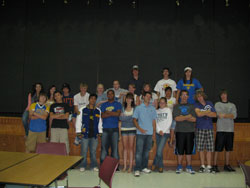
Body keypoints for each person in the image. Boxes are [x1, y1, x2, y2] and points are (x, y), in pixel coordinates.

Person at [75, 94, 103, 172]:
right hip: (85, 134)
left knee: (93, 151)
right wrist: (78, 132)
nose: (93, 100)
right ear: (89, 99)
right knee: (83, 151)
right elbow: (78, 121)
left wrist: (100, 132)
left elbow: (100, 122)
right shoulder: (82, 109)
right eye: (91, 99)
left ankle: (93, 165)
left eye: (94, 99)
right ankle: (83, 165)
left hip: (94, 134)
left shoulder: (98, 110)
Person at [133, 92, 157, 177]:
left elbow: (154, 121)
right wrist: (140, 129)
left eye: (150, 97)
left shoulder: (153, 108)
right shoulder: (138, 108)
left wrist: (154, 133)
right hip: (140, 133)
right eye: (147, 96)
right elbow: (134, 120)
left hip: (150, 134)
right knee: (139, 152)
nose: (148, 98)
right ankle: (137, 169)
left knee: (146, 152)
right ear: (143, 97)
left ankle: (144, 167)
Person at [173, 90, 196, 174]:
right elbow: (176, 118)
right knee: (180, 149)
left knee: (189, 150)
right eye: (182, 95)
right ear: (180, 96)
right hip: (180, 131)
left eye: (186, 95)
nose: (184, 96)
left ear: (188, 97)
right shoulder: (176, 106)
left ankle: (189, 166)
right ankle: (179, 166)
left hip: (190, 131)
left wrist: (183, 117)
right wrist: (188, 116)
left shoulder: (191, 106)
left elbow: (194, 119)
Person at [213, 89, 237, 172]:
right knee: (217, 148)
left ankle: (227, 165)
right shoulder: (217, 104)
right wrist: (228, 115)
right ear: (220, 96)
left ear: (227, 95)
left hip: (230, 130)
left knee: (228, 149)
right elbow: (219, 115)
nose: (223, 96)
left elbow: (234, 116)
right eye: (222, 94)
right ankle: (215, 165)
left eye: (225, 94)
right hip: (221, 129)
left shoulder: (232, 105)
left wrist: (224, 115)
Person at [194, 90, 217, 173]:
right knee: (200, 148)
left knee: (209, 148)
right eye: (198, 97)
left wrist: (203, 112)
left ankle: (209, 166)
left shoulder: (209, 103)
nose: (199, 98)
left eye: (200, 96)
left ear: (203, 96)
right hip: (200, 128)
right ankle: (202, 166)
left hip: (209, 128)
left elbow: (214, 115)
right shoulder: (196, 104)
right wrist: (208, 112)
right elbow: (198, 114)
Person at [100, 90, 122, 164]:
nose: (110, 95)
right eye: (108, 94)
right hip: (105, 129)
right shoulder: (103, 105)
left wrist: (108, 112)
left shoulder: (118, 104)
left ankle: (115, 167)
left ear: (114, 95)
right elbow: (102, 116)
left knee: (115, 149)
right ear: (107, 95)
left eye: (111, 94)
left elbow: (118, 114)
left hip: (115, 129)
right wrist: (113, 113)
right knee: (104, 149)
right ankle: (103, 165)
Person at [152, 97, 172, 173]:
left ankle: (155, 164)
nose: (161, 104)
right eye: (160, 102)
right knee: (158, 150)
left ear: (166, 103)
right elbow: (155, 122)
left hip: (165, 133)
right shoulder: (156, 111)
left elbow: (169, 121)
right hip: (158, 133)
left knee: (159, 151)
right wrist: (158, 130)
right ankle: (160, 166)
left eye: (163, 102)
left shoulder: (168, 110)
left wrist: (163, 131)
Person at [119, 93, 136, 173]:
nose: (128, 100)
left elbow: (135, 119)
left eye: (130, 98)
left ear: (132, 99)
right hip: (124, 129)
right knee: (125, 148)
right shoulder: (123, 108)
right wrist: (130, 117)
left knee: (131, 148)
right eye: (127, 98)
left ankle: (130, 166)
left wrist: (125, 117)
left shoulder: (135, 108)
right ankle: (125, 166)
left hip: (132, 129)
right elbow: (120, 118)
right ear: (125, 99)